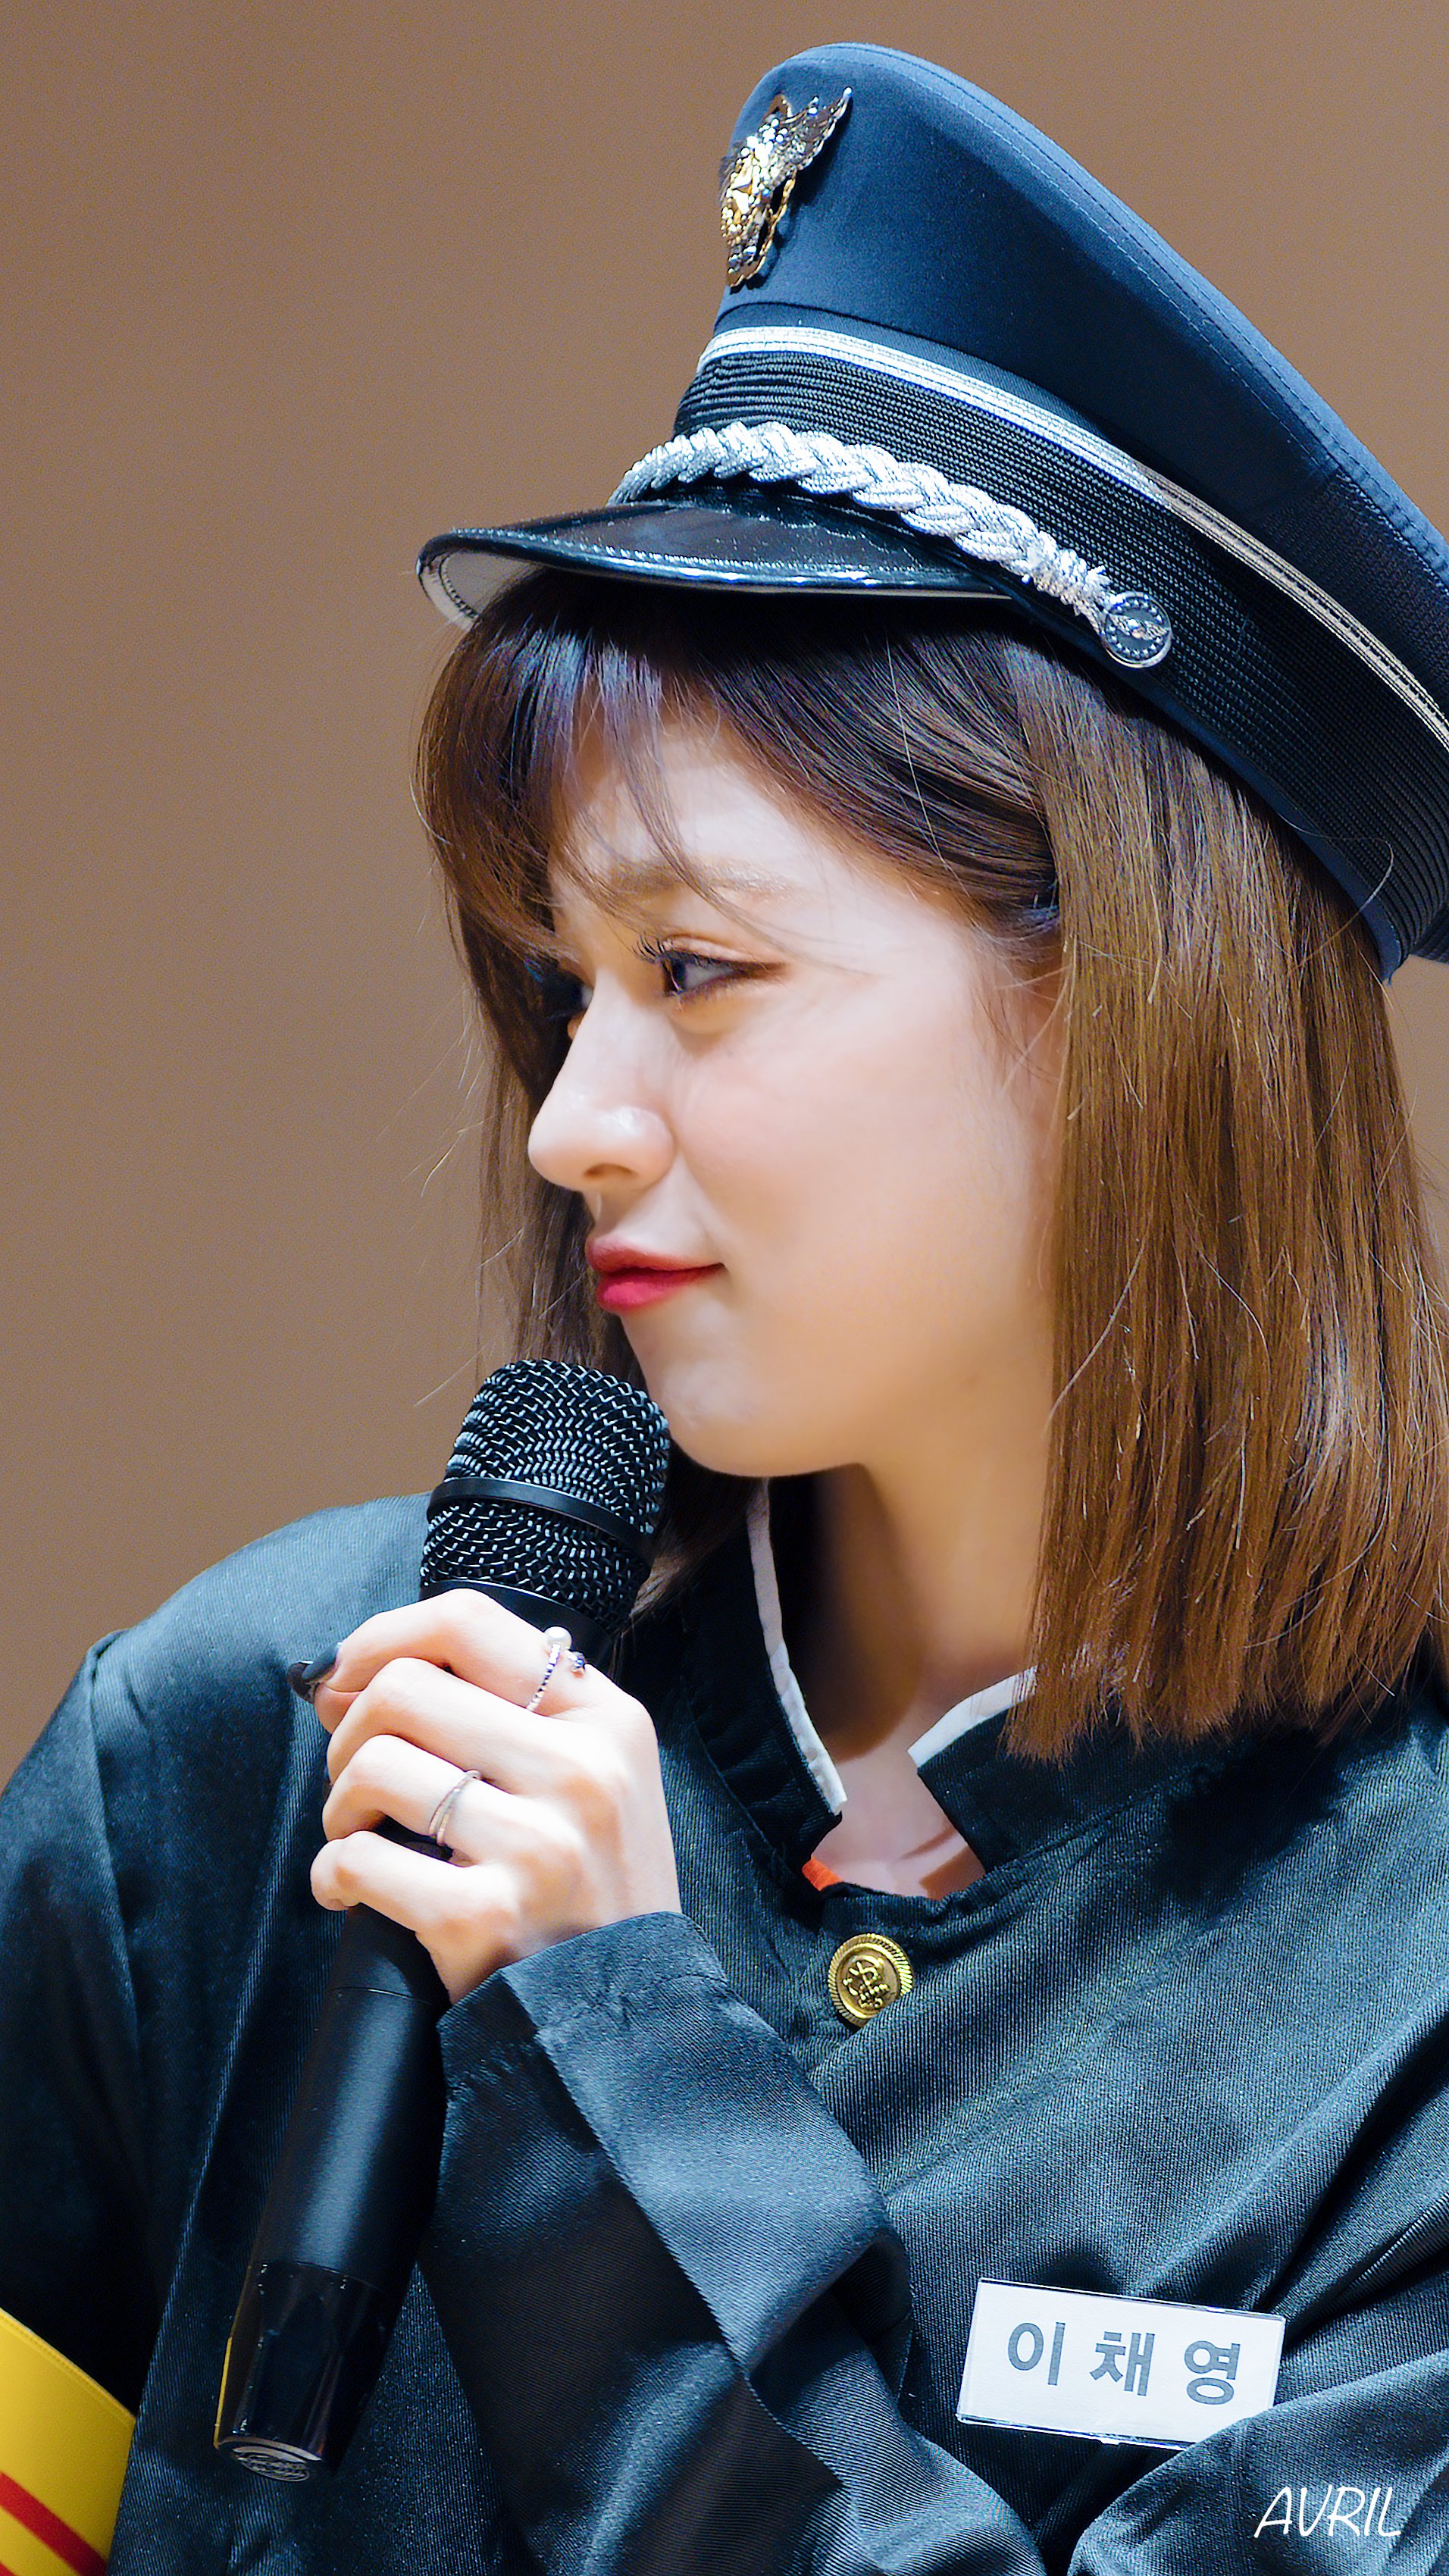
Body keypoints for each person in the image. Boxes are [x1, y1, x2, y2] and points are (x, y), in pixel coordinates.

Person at [5, 36, 1449, 2574]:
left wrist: (608, 2073)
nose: (574, 1120)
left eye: (699, 970)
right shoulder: (243, 1748)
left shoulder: (1403, 1982)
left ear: (1128, 1025)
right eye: (565, 983)